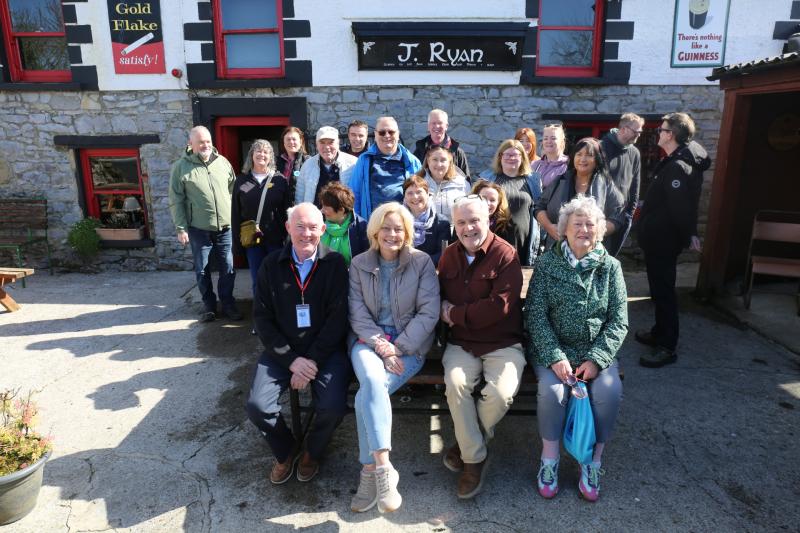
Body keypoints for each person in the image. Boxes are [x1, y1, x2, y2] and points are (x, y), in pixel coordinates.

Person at [525, 195, 627, 502]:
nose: (584, 229)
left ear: (599, 230)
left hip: (594, 352)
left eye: (590, 224)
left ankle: (592, 463)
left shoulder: (611, 267)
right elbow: (535, 314)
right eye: (577, 224)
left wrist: (596, 360)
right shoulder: (547, 264)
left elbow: (619, 321)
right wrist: (555, 357)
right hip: (553, 351)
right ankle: (549, 460)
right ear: (564, 230)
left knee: (608, 391)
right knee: (553, 392)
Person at [246, 203, 351, 485]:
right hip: (283, 352)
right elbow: (262, 319)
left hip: (325, 352)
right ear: (288, 228)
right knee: (257, 406)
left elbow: (338, 319)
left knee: (333, 407)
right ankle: (286, 451)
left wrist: (312, 360)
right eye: (300, 227)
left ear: (323, 229)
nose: (306, 234)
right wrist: (291, 360)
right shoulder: (271, 265)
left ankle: (312, 453)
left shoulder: (335, 264)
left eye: (313, 227)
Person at [348, 202, 440, 513]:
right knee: (373, 380)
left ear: (407, 232)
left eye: (398, 229)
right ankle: (385, 467)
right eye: (386, 228)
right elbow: (357, 313)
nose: (392, 234)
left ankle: (369, 471)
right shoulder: (359, 264)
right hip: (367, 342)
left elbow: (429, 312)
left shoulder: (421, 262)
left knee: (366, 393)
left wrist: (397, 347)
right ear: (375, 232)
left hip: (409, 346)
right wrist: (381, 346)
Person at [438, 195, 525, 499]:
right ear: (454, 225)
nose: (468, 228)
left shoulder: (505, 254)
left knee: (501, 393)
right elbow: (437, 296)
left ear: (488, 219)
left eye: (474, 220)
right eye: (461, 222)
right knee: (456, 384)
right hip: (462, 343)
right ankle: (474, 460)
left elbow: (499, 307)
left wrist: (454, 314)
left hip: (503, 343)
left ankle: (465, 443)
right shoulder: (448, 255)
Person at [636, 112, 710, 368]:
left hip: (664, 240)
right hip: (657, 238)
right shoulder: (673, 160)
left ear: (672, 135)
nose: (659, 133)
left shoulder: (678, 166)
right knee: (658, 289)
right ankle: (659, 332)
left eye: (662, 129)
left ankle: (667, 346)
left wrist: (690, 234)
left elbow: (681, 207)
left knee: (664, 291)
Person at [169, 125, 241, 322]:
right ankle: (209, 305)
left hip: (225, 228)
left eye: (208, 141)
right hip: (198, 229)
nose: (205, 145)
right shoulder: (180, 167)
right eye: (200, 142)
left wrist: (235, 217)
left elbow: (233, 190)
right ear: (190, 144)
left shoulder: (222, 162)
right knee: (202, 269)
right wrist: (181, 228)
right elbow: (176, 200)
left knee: (228, 267)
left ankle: (228, 304)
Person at [535, 137, 625, 251]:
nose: (583, 159)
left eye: (589, 155)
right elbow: (539, 206)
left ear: (597, 159)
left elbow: (618, 216)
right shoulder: (560, 180)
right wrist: (549, 227)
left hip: (591, 249)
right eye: (579, 154)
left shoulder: (606, 185)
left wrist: (595, 232)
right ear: (573, 157)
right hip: (557, 247)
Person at [232, 139, 291, 297]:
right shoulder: (241, 180)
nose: (262, 154)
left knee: (277, 279)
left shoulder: (279, 180)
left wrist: (288, 237)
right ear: (252, 155)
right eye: (258, 151)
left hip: (276, 239)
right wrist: (236, 244)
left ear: (271, 156)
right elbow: (235, 213)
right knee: (257, 279)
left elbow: (287, 211)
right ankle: (260, 311)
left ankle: (278, 310)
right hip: (252, 241)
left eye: (266, 152)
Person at [483, 139, 542, 265]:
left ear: (522, 157)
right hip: (496, 239)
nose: (511, 158)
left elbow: (539, 208)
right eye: (507, 154)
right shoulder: (488, 179)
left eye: (516, 155)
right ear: (500, 157)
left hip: (524, 241)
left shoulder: (533, 181)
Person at [350, 116, 421, 218]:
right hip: (373, 222)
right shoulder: (364, 160)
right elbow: (354, 193)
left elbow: (421, 193)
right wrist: (358, 222)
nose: (387, 136)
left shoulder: (412, 161)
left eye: (391, 132)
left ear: (398, 134)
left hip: (402, 221)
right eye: (382, 132)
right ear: (375, 135)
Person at [601, 113, 645, 256]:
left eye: (640, 132)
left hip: (622, 216)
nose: (639, 135)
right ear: (624, 129)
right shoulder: (601, 147)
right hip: (600, 215)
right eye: (636, 131)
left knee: (610, 258)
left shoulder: (634, 153)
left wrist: (629, 215)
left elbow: (635, 185)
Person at [295, 126, 358, 205]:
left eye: (331, 142)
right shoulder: (307, 165)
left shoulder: (353, 164)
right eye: (322, 142)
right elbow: (299, 196)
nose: (327, 147)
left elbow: (360, 194)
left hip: (344, 212)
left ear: (338, 143)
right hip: (315, 212)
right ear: (316, 145)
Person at [402, 175, 452, 265]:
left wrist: (417, 264)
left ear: (428, 194)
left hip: (431, 270)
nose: (415, 197)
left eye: (419, 192)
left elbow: (443, 254)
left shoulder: (441, 222)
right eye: (410, 193)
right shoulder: (398, 221)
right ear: (404, 197)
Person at [318, 182, 368, 266]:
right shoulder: (318, 224)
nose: (321, 210)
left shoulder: (362, 228)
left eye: (326, 207)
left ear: (341, 210)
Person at [417, 145, 469, 226]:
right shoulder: (417, 184)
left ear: (449, 162)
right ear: (428, 161)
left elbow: (469, 211)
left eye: (443, 160)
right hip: (423, 231)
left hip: (454, 231)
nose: (439, 164)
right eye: (435, 159)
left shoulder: (463, 184)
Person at [413, 109, 471, 179]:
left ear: (446, 126)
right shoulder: (420, 150)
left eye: (440, 123)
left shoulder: (458, 153)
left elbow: (466, 181)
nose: (437, 126)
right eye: (433, 123)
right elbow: (413, 177)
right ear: (428, 126)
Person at [472, 179, 514, 246]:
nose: (487, 203)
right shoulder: (463, 220)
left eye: (492, 200)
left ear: (498, 203)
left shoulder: (506, 226)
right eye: (483, 198)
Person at [276, 126, 310, 200]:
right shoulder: (276, 162)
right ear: (284, 142)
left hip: (300, 204)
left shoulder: (309, 162)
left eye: (294, 139)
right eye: (288, 139)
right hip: (280, 204)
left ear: (300, 141)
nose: (291, 142)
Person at [531, 123, 569, 189]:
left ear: (561, 141)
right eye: (545, 138)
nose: (549, 141)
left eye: (553, 138)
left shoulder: (567, 166)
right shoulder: (535, 165)